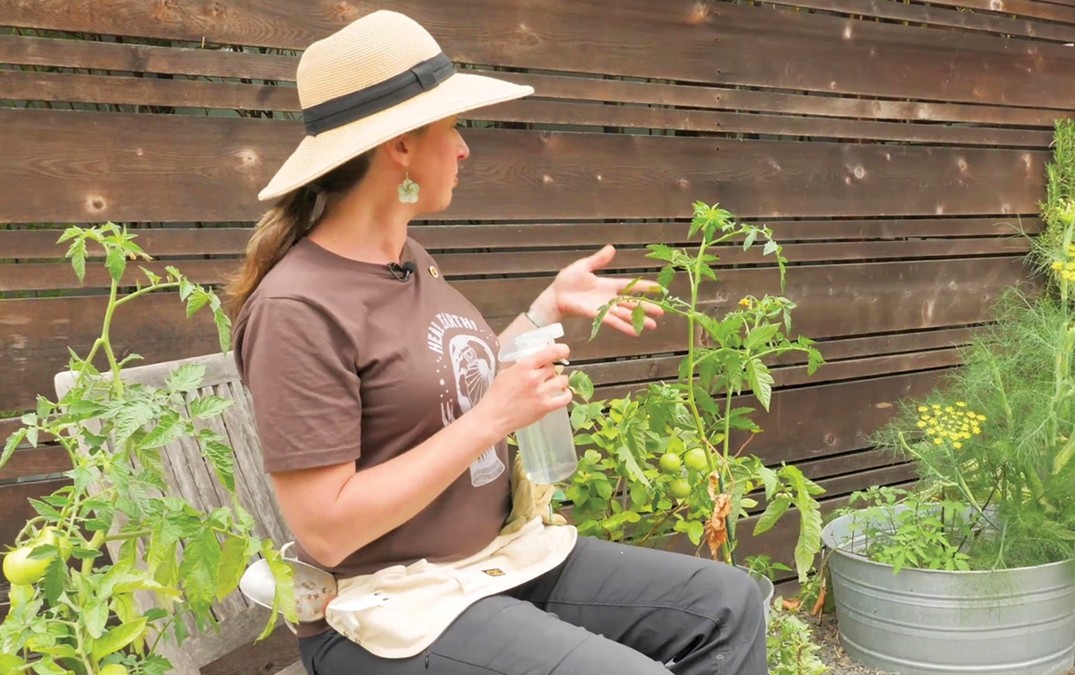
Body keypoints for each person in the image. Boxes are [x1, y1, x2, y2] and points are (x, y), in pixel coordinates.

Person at [228, 10, 767, 675]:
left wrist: (547, 307)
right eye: (452, 127)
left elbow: (445, 381)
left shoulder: (409, 260)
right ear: (400, 145)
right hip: (387, 610)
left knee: (729, 604)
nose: (463, 149)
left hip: (492, 564)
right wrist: (494, 417)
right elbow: (326, 526)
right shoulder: (297, 307)